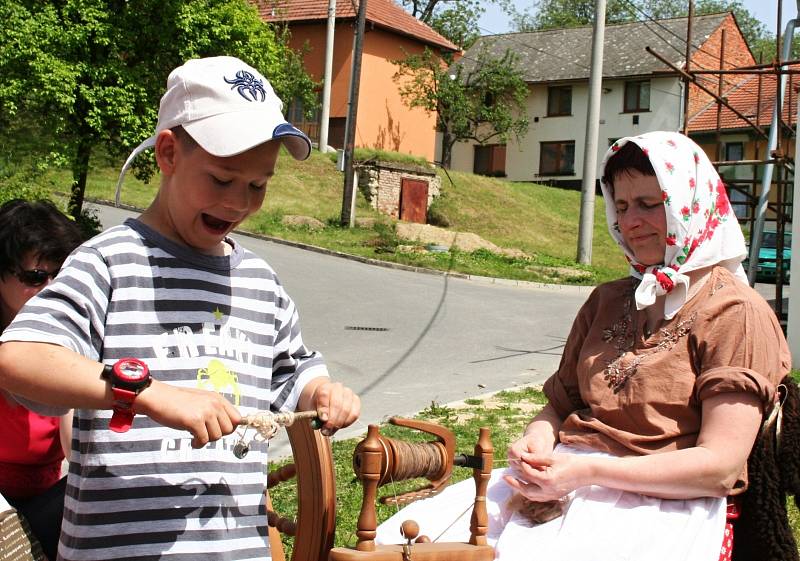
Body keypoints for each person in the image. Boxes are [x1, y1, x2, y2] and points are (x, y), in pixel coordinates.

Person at [0, 56, 360, 561]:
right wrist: (148, 394)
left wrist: (323, 391)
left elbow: (290, 374)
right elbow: (21, 357)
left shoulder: (259, 280)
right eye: (220, 179)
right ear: (168, 152)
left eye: (258, 185)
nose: (238, 202)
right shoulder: (109, 263)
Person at [374, 131, 789, 561]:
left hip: (660, 504)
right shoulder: (608, 301)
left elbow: (719, 468)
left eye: (649, 204)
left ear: (691, 205)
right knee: (403, 544)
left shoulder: (735, 313)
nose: (630, 222)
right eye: (622, 206)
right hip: (566, 481)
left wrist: (586, 471)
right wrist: (538, 438)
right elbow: (558, 405)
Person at [0, 199, 85, 560]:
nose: (50, 289)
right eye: (35, 277)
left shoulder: (72, 337)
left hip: (45, 502)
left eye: (59, 277)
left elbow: (76, 445)